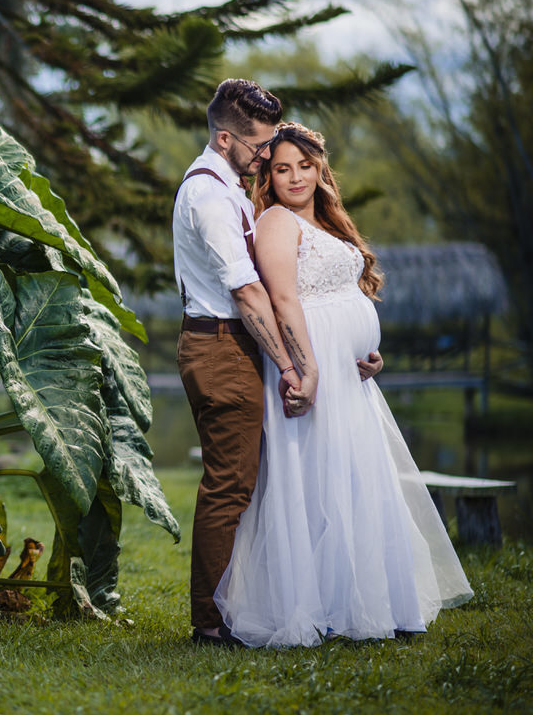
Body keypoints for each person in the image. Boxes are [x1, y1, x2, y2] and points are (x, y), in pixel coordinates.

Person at [213, 122, 474, 647]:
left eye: (304, 166)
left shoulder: (328, 223)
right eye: (282, 168)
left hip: (350, 374)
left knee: (353, 477)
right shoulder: (276, 222)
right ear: (268, 175)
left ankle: (362, 599)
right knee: (316, 478)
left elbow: (345, 294)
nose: (294, 177)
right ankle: (318, 603)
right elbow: (283, 299)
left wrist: (368, 351)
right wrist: (307, 369)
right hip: (311, 364)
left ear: (320, 169)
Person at [173, 79, 312, 647]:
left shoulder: (227, 186)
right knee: (229, 486)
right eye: (259, 146)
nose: (265, 156)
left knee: (238, 481)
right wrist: (289, 366)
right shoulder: (208, 197)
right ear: (225, 138)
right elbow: (248, 293)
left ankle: (233, 603)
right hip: (220, 346)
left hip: (230, 344)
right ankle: (210, 622)